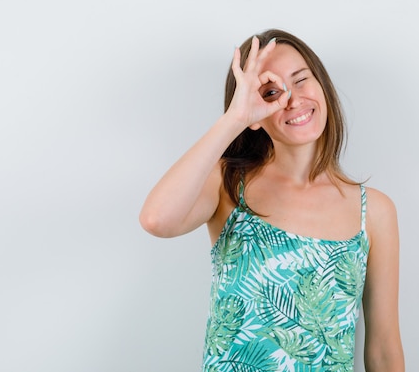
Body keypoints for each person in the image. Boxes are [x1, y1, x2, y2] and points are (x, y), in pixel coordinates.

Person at [139, 29, 404, 372]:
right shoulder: (228, 184)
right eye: (271, 92)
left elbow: (383, 349)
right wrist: (234, 119)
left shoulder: (375, 212)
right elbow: (157, 219)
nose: (291, 100)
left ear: (321, 83)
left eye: (300, 80)